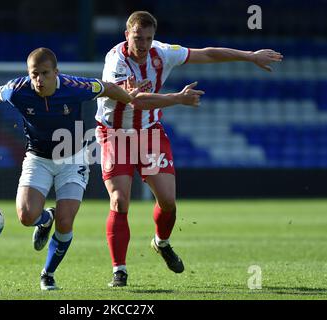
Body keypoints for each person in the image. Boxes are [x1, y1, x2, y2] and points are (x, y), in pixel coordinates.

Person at [0, 47, 204, 290]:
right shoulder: (18, 90)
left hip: (73, 159)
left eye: (45, 73)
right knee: (27, 217)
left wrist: (129, 96)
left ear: (56, 72)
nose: (38, 79)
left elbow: (107, 88)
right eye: (34, 74)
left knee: (66, 220)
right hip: (37, 159)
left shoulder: (74, 87)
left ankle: (48, 273)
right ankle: (46, 218)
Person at [96, 11, 283, 287]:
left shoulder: (162, 52)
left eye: (148, 38)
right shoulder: (116, 60)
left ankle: (161, 243)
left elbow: (206, 54)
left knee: (168, 202)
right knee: (120, 201)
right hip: (115, 134)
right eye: (138, 38)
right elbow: (135, 101)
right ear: (127, 35)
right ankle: (119, 271)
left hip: (149, 133)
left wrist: (249, 55)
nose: (144, 44)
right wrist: (177, 99)